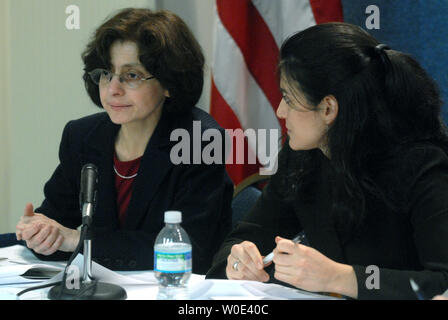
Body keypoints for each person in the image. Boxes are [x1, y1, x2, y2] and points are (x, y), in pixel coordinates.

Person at [206, 22, 448, 299]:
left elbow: (443, 282)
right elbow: (244, 238)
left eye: (288, 98)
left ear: (328, 108)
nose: (280, 111)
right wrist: (238, 261)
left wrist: (340, 277)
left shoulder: (422, 165)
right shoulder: (302, 158)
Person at [15, 8, 233, 275]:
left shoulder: (199, 142)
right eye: (106, 73)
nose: (113, 89)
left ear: (168, 83)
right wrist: (41, 232)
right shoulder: (82, 136)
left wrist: (77, 239)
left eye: (131, 75)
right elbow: (57, 223)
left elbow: (191, 250)